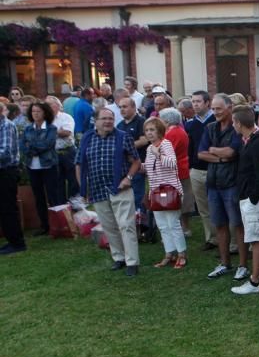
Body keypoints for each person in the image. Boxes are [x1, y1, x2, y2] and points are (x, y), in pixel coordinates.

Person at [76, 107, 142, 276]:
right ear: (95, 121)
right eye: (104, 118)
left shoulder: (123, 137)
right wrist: (84, 187)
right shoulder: (87, 139)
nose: (108, 122)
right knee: (109, 226)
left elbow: (136, 161)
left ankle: (132, 262)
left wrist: (128, 178)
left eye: (111, 119)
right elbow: (79, 164)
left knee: (126, 225)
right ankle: (119, 258)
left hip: (120, 188)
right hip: (97, 189)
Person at [199, 95, 249, 280]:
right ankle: (225, 263)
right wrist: (220, 157)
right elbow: (201, 153)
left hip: (231, 184)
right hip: (213, 184)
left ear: (229, 107)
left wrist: (213, 151)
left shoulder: (236, 129)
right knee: (219, 224)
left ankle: (243, 265)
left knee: (237, 225)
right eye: (213, 109)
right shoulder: (210, 128)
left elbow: (232, 152)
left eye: (218, 109)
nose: (215, 112)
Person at [228, 106, 259, 294]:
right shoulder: (250, 141)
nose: (233, 125)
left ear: (239, 123)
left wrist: (253, 197)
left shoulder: (258, 143)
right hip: (250, 196)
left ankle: (255, 282)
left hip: (253, 198)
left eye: (234, 122)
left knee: (255, 239)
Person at [142, 117, 187, 269]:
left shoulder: (165, 144)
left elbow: (172, 163)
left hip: (169, 190)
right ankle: (169, 253)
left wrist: (158, 154)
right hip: (155, 191)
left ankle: (181, 254)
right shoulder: (149, 149)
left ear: (160, 131)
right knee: (162, 225)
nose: (149, 133)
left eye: (152, 130)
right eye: (147, 130)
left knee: (173, 223)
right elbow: (150, 169)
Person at [21, 101, 60, 235]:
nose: (35, 114)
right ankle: (44, 225)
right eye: (33, 111)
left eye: (38, 111)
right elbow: (23, 146)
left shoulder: (51, 128)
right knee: (38, 197)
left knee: (52, 195)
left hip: (48, 165)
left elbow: (47, 145)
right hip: (32, 166)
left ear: (45, 113)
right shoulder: (27, 129)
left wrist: (32, 147)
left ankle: (57, 224)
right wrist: (32, 149)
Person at [185, 90, 216, 250]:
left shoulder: (216, 120)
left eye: (198, 101)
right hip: (196, 170)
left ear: (207, 103)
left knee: (218, 204)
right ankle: (211, 238)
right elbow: (188, 149)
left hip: (215, 168)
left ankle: (228, 238)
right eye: (193, 101)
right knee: (203, 207)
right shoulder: (190, 124)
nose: (195, 104)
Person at [158, 108, 191, 235]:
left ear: (166, 121)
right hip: (180, 169)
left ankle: (179, 229)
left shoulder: (172, 134)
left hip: (175, 171)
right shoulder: (179, 131)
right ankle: (182, 228)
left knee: (176, 201)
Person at [0, 101, 26, 254]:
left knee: (8, 207)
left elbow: (5, 152)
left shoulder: (6, 126)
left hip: (6, 171)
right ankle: (11, 240)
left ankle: (17, 243)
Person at [45, 96, 77, 203]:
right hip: (52, 152)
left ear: (58, 106)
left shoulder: (66, 117)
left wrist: (50, 131)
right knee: (57, 180)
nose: (47, 107)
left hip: (67, 151)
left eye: (50, 104)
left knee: (73, 178)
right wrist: (58, 131)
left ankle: (75, 203)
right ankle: (61, 206)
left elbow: (66, 133)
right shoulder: (44, 120)